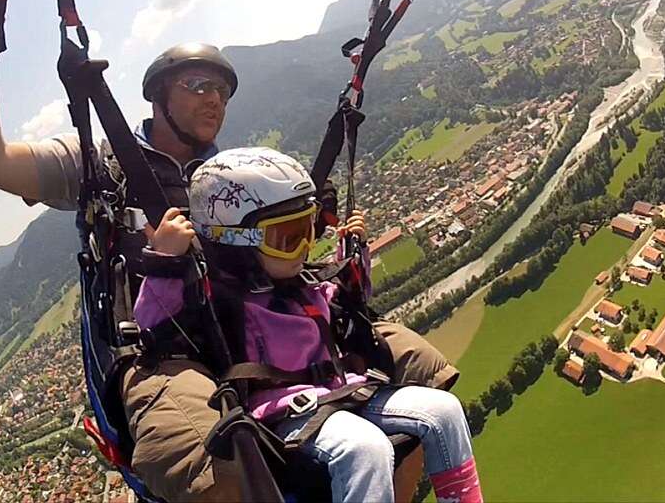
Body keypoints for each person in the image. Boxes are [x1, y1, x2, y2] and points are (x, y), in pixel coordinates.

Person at [0, 0, 460, 501]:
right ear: (158, 96)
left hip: (239, 329)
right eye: (198, 85)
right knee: (217, 464)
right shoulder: (101, 166)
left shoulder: (228, 177)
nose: (214, 98)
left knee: (416, 371)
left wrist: (308, 220)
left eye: (221, 89)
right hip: (163, 348)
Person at [136, 147, 482, 503]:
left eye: (308, 228)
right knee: (366, 448)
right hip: (286, 412)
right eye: (287, 238)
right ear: (235, 244)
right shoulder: (219, 300)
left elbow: (351, 301)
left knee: (444, 411)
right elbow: (156, 325)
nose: (304, 247)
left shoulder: (305, 284)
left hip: (345, 390)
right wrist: (164, 261)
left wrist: (352, 255)